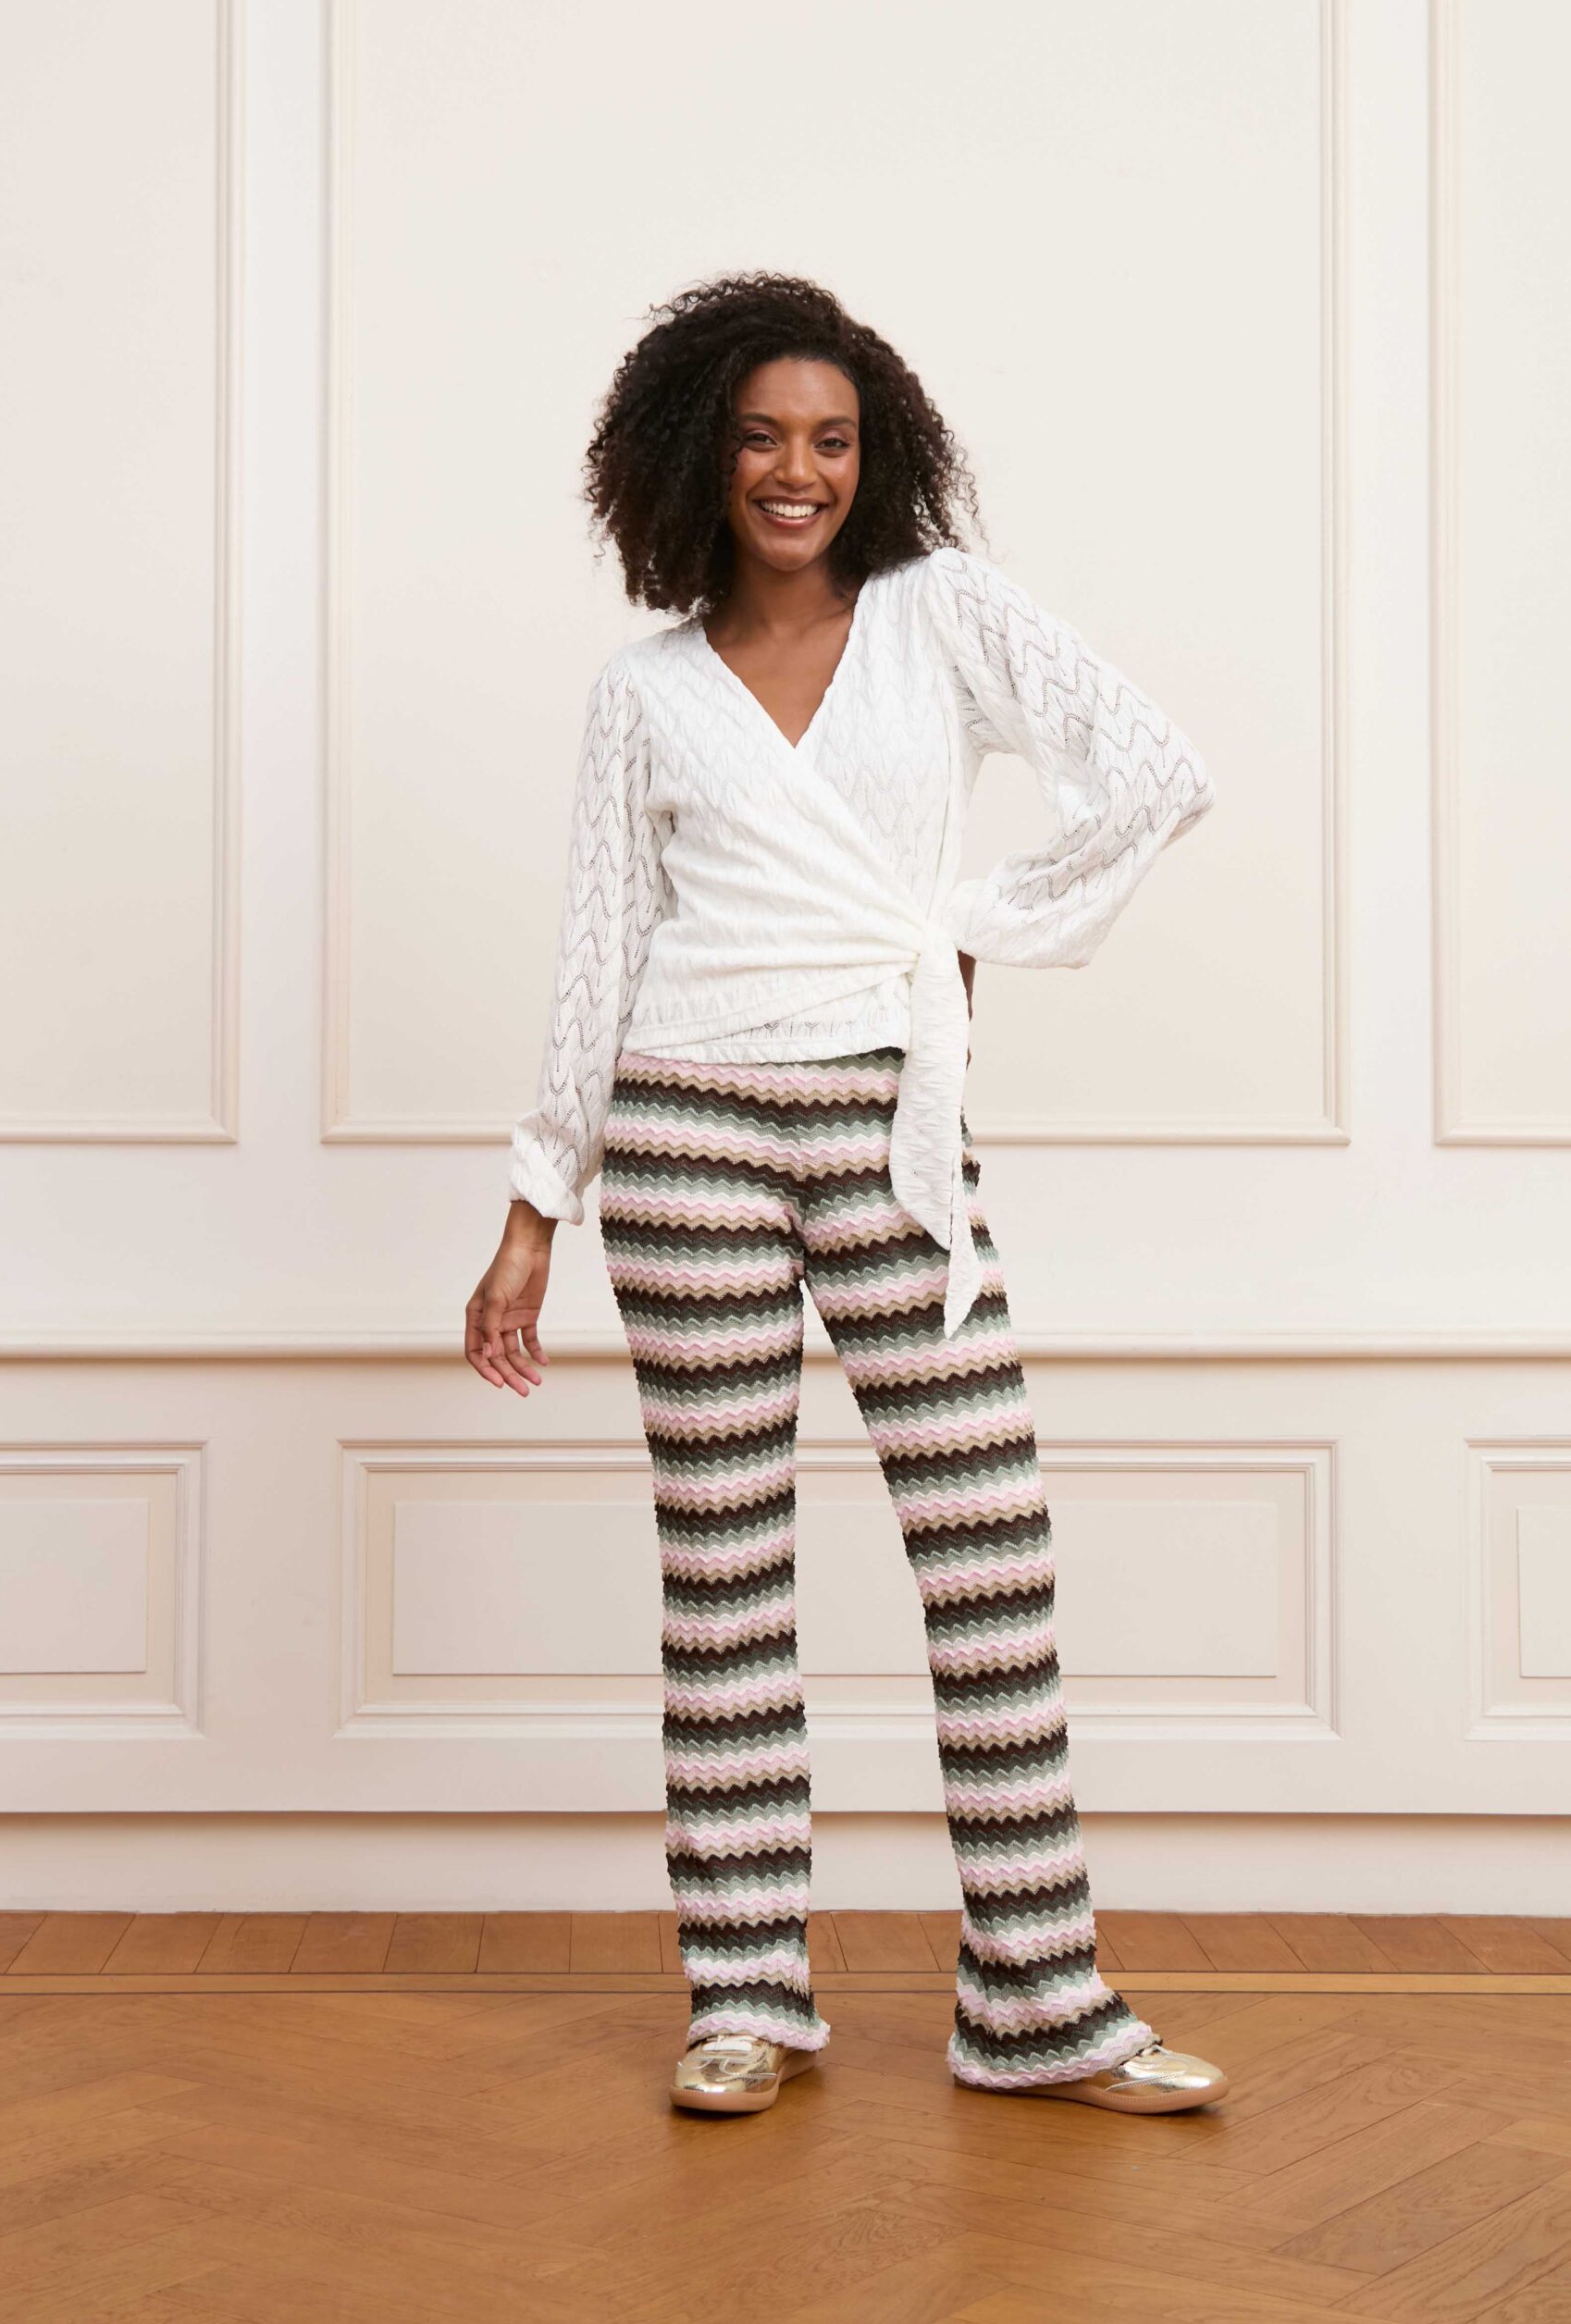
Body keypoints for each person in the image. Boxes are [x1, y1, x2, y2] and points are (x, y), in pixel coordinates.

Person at [466, 273, 1229, 2120]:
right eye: (759, 437)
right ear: (697, 457)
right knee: (723, 1575)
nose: (795, 470)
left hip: (890, 1121)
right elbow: (599, 948)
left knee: (987, 1559)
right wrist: (533, 1204)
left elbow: (1156, 772)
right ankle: (745, 1990)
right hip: (683, 1132)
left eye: (829, 439)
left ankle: (1035, 2001)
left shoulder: (937, 614)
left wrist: (973, 927)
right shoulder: (644, 692)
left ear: (873, 457)